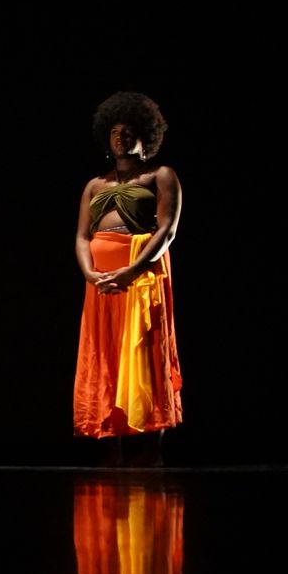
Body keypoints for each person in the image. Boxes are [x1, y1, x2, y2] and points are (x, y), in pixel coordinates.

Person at [73, 92, 183, 463]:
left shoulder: (161, 175)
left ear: (146, 136)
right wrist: (91, 273)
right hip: (102, 283)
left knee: (146, 355)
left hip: (141, 276)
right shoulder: (94, 185)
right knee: (106, 355)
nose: (120, 137)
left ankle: (149, 451)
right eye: (115, 131)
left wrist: (131, 270)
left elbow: (166, 231)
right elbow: (82, 236)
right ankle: (109, 443)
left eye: (129, 130)